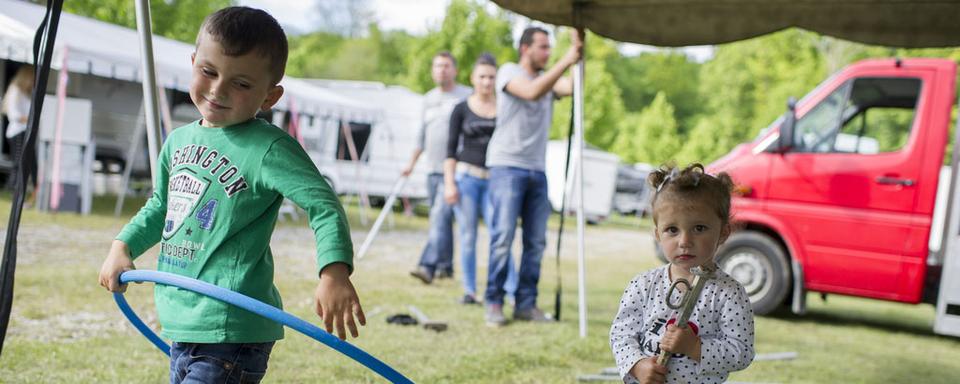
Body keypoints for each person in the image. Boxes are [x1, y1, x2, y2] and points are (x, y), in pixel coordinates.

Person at [97, 7, 364, 383]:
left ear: (270, 96)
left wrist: (334, 272)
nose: (218, 89)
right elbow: (161, 207)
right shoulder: (178, 142)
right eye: (208, 72)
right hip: (182, 322)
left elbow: (323, 203)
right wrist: (122, 245)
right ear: (193, 63)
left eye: (241, 84)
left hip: (231, 328)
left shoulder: (269, 148)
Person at [609, 164, 754, 384]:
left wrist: (695, 347)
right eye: (672, 230)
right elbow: (621, 334)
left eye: (699, 228)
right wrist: (637, 365)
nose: (685, 241)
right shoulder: (643, 285)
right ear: (658, 234)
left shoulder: (729, 293)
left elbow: (741, 352)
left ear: (723, 232)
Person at [482, 26, 582, 326]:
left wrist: (579, 50)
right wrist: (566, 59)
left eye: (550, 47)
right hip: (506, 166)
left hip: (537, 170)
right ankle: (495, 302)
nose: (548, 52)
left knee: (536, 241)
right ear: (525, 48)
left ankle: (526, 304)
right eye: (542, 47)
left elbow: (574, 87)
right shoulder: (509, 72)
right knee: (502, 237)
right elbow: (531, 92)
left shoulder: (547, 80)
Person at [443, 53, 518, 305]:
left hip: (496, 179)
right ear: (473, 79)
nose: (487, 82)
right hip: (467, 179)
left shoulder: (505, 107)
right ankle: (470, 290)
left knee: (501, 233)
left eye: (492, 77)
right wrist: (450, 183)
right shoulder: (461, 108)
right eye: (482, 77)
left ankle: (509, 289)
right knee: (468, 236)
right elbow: (450, 150)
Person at [406, 52, 472, 284]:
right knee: (443, 219)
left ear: (454, 70)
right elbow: (421, 137)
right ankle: (446, 266)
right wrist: (411, 165)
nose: (441, 70)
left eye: (446, 66)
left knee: (438, 216)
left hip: (455, 169)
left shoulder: (466, 95)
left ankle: (428, 265)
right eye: (437, 66)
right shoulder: (428, 99)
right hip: (432, 168)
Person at [2, 65, 38, 194]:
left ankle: (27, 187)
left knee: (28, 162)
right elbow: (14, 114)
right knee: (18, 162)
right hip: (17, 131)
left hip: (24, 131)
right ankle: (11, 187)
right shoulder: (15, 90)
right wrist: (31, 119)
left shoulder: (25, 93)